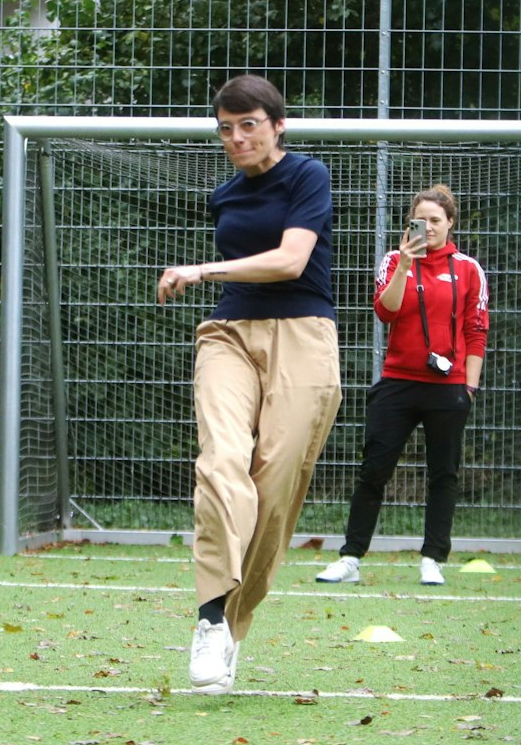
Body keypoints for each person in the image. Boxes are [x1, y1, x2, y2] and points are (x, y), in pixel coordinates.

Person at [157, 76, 341, 695]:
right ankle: (210, 621)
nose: (236, 138)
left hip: (303, 334)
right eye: (225, 128)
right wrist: (215, 279)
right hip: (229, 332)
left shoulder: (308, 177)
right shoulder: (225, 194)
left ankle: (234, 627)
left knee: (274, 487)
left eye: (248, 125)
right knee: (221, 460)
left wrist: (201, 268)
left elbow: (290, 260)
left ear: (277, 125)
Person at [316, 184, 488, 587]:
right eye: (420, 220)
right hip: (397, 383)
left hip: (448, 387)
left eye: (435, 221)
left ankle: (433, 558)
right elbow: (385, 312)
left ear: (450, 224)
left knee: (443, 474)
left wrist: (469, 389)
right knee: (373, 471)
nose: (427, 228)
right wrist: (407, 268)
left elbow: (476, 331)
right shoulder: (395, 260)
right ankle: (351, 558)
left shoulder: (467, 268)